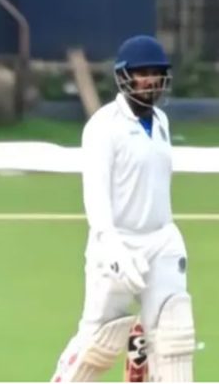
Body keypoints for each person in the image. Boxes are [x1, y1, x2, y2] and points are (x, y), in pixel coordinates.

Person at [51, 35, 195, 382]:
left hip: (161, 241)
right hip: (117, 244)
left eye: (156, 73)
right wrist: (111, 245)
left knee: (174, 338)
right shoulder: (103, 127)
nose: (150, 80)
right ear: (124, 76)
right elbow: (96, 194)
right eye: (142, 73)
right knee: (98, 343)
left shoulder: (161, 121)